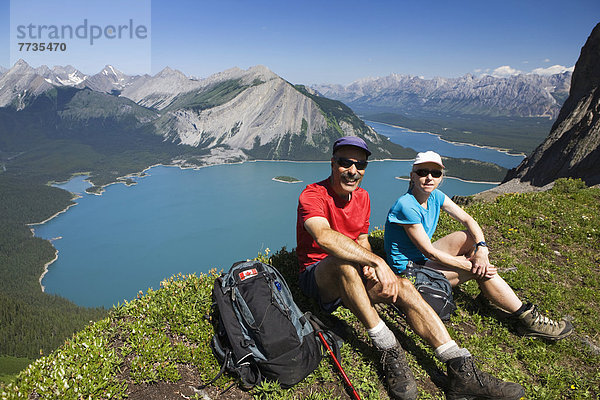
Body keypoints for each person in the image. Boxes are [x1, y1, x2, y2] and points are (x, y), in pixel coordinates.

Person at [296, 137, 525, 400]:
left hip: (355, 274)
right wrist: (376, 261)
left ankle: (460, 367)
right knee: (342, 261)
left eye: (360, 165)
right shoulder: (313, 194)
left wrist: (370, 264)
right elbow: (323, 237)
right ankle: (388, 347)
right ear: (333, 163)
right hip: (318, 276)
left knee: (403, 285)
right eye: (345, 163)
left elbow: (361, 239)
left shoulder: (362, 197)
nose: (353, 170)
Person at [384, 150, 573, 341]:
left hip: (421, 259)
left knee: (467, 238)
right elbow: (430, 253)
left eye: (436, 173)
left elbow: (468, 220)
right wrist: (471, 265)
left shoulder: (436, 196)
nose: (429, 178)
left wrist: (482, 249)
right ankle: (527, 319)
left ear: (441, 177)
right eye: (423, 172)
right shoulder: (405, 205)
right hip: (407, 271)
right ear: (413, 176)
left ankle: (489, 292)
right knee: (479, 270)